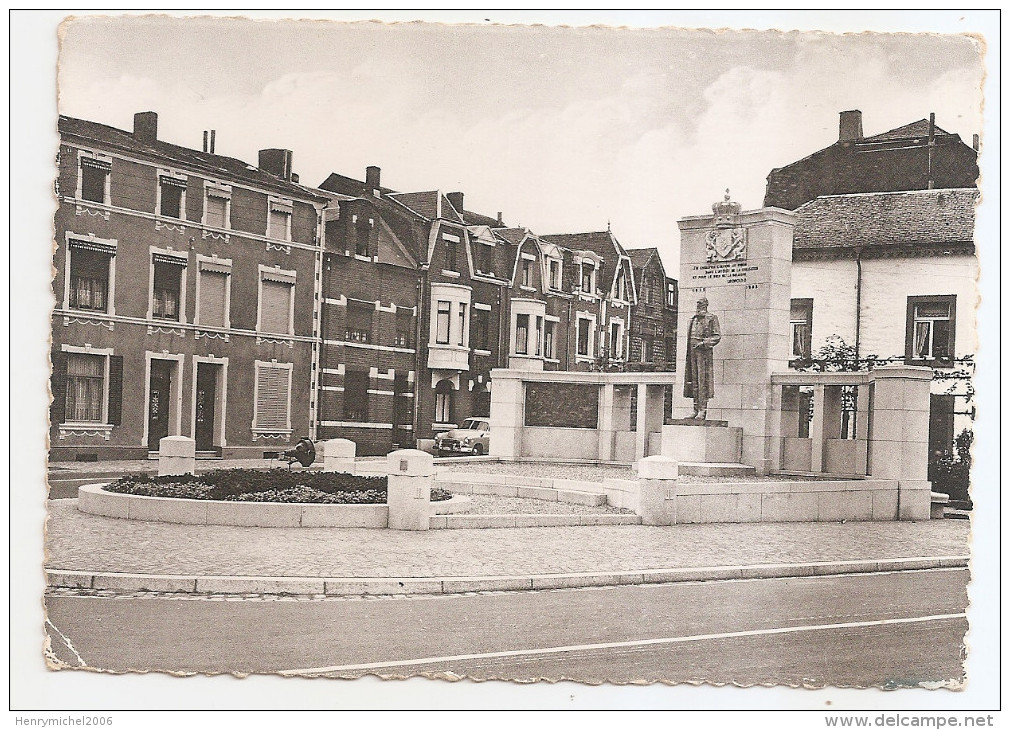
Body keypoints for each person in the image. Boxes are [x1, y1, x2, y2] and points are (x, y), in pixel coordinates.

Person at [683, 297, 721, 419]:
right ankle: (695, 408)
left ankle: (702, 410)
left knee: (702, 380)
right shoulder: (692, 319)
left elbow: (717, 336)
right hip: (692, 351)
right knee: (693, 379)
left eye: (700, 303)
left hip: (703, 353)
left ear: (705, 305)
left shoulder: (711, 318)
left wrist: (704, 343)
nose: (698, 306)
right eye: (697, 303)